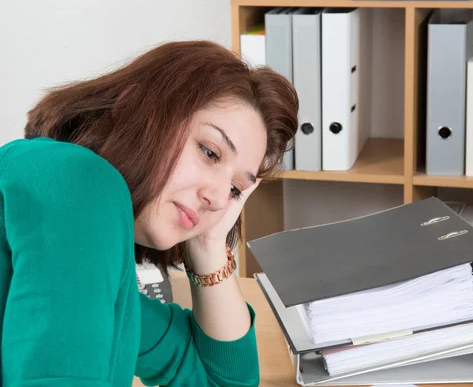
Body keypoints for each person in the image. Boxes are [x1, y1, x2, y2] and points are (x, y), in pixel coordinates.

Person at [0, 40, 298, 386]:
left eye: (234, 189)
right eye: (209, 152)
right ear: (134, 107)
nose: (218, 198)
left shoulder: (94, 263)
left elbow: (221, 381)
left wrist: (209, 243)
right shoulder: (79, 181)